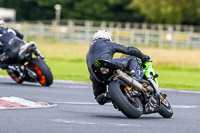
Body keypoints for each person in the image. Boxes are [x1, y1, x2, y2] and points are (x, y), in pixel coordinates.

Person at [86, 30, 150, 105]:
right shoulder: (107, 43)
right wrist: (144, 57)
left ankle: (108, 96)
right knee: (134, 58)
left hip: (96, 76)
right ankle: (135, 77)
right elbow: (129, 50)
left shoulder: (88, 53)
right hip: (107, 66)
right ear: (107, 37)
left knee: (99, 98)